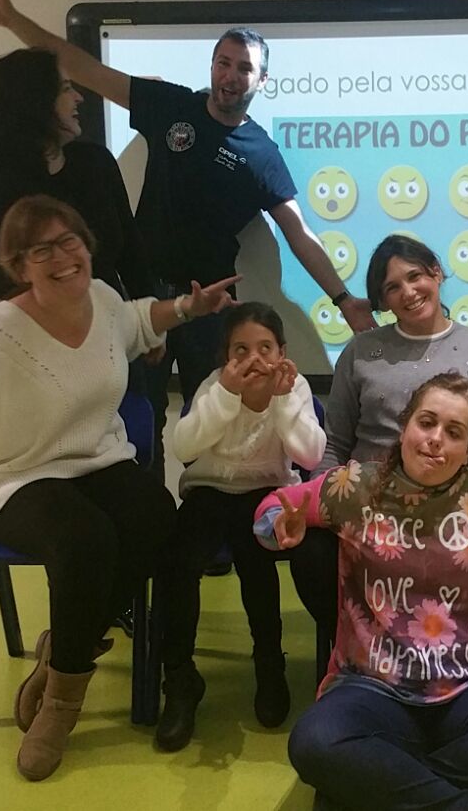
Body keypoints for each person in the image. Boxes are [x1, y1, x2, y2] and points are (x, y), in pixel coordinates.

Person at [0, 195, 237, 781]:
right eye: (42, 250)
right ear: (19, 266)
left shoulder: (102, 299)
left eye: (70, 241)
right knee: (86, 540)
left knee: (156, 515)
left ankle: (64, 648)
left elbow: (140, 319)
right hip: (17, 477)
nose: (63, 257)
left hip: (96, 461)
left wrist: (189, 308)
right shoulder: (0, 333)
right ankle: (61, 708)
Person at [0, 0, 374, 480]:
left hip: (211, 304)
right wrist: (11, 19)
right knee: (139, 418)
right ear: (212, 66)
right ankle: (149, 512)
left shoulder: (262, 154)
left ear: (261, 81)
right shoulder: (170, 106)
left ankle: (205, 509)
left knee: (213, 417)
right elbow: (83, 67)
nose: (231, 75)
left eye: (244, 68)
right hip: (143, 298)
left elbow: (299, 233)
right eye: (223, 63)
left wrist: (343, 299)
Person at [258, 374, 468, 811]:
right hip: (373, 685)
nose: (436, 439)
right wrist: (276, 526)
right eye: (426, 423)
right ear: (405, 425)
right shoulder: (354, 486)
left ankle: (382, 785)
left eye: (454, 432)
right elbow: (274, 506)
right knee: (314, 743)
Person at [292, 235, 468, 675]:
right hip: (374, 514)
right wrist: (320, 504)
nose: (408, 292)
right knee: (310, 550)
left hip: (460, 511)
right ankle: (359, 655)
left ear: (437, 273)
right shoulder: (361, 351)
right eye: (392, 287)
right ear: (382, 301)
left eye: (415, 276)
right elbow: (335, 443)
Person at [158, 302, 326, 751]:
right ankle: (179, 679)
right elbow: (185, 447)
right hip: (210, 490)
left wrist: (283, 401)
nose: (254, 359)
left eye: (265, 348)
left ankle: (269, 666)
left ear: (282, 352)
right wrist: (227, 395)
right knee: (178, 562)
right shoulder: (215, 385)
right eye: (241, 350)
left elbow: (310, 456)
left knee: (256, 559)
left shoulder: (294, 388)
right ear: (226, 357)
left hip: (267, 492)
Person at [0, 47, 153, 308]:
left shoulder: (96, 161)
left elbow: (133, 258)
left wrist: (152, 320)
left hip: (114, 325)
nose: (79, 98)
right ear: (35, 101)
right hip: (39, 330)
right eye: (65, 89)